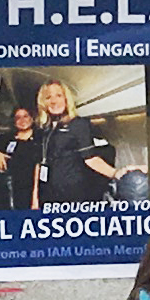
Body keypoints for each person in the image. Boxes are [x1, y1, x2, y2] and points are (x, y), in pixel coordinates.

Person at [28, 77, 118, 208]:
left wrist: (116, 174)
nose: (54, 101)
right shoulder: (42, 129)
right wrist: (35, 199)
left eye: (59, 95)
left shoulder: (79, 124)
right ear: (43, 103)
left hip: (73, 195)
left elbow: (90, 158)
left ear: (66, 99)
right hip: (46, 195)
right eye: (48, 97)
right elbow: (39, 164)